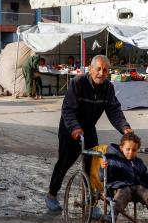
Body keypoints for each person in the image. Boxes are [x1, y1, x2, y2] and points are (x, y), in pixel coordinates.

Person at [45, 54, 133, 212]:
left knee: (92, 165)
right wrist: (74, 128)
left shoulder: (108, 88)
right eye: (98, 69)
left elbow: (114, 110)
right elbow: (68, 109)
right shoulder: (78, 83)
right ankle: (51, 195)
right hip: (70, 128)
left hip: (89, 129)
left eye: (105, 70)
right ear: (90, 69)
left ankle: (89, 202)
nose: (101, 73)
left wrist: (124, 128)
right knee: (64, 163)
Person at [101, 133, 148, 220]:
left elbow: (144, 175)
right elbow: (103, 177)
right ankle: (112, 214)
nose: (131, 152)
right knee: (124, 191)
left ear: (137, 150)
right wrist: (104, 168)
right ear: (121, 148)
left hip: (135, 189)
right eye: (128, 149)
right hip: (118, 188)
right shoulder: (113, 160)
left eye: (134, 150)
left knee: (144, 190)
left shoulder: (138, 162)